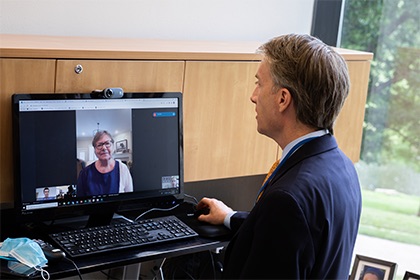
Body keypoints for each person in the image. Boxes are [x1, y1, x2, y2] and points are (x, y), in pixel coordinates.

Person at [195, 34, 362, 279]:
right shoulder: (341, 167)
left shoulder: (286, 200)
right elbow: (293, 235)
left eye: (259, 84)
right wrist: (230, 218)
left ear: (283, 99)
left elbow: (286, 219)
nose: (253, 96)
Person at [77, 130, 133, 196]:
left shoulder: (123, 169)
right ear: (94, 150)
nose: (104, 148)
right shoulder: (85, 173)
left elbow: (129, 198)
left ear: (112, 146)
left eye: (107, 143)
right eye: (99, 145)